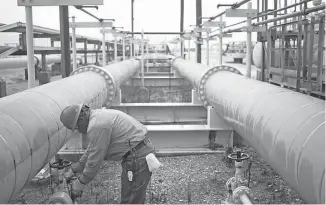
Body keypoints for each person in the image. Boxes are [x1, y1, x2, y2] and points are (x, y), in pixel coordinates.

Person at [60, 103, 161, 204]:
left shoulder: (96, 126)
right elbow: (92, 149)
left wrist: (81, 182)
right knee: (130, 197)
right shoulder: (97, 116)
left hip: (137, 157)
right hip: (138, 153)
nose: (80, 131)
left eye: (77, 127)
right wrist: (75, 169)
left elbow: (95, 160)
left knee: (131, 200)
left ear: (81, 118)